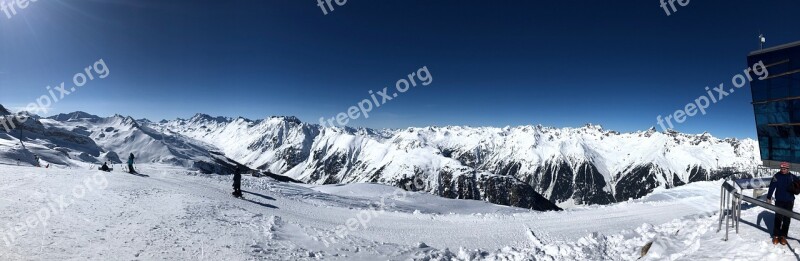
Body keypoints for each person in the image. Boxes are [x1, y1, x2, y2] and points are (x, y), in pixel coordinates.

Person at [767, 161, 800, 245]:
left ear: (788, 169)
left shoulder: (792, 177)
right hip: (779, 200)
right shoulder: (776, 176)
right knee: (778, 218)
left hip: (789, 201)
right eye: (782, 168)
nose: (783, 170)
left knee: (787, 219)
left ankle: (783, 236)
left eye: (785, 168)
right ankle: (776, 236)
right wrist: (769, 197)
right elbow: (772, 187)